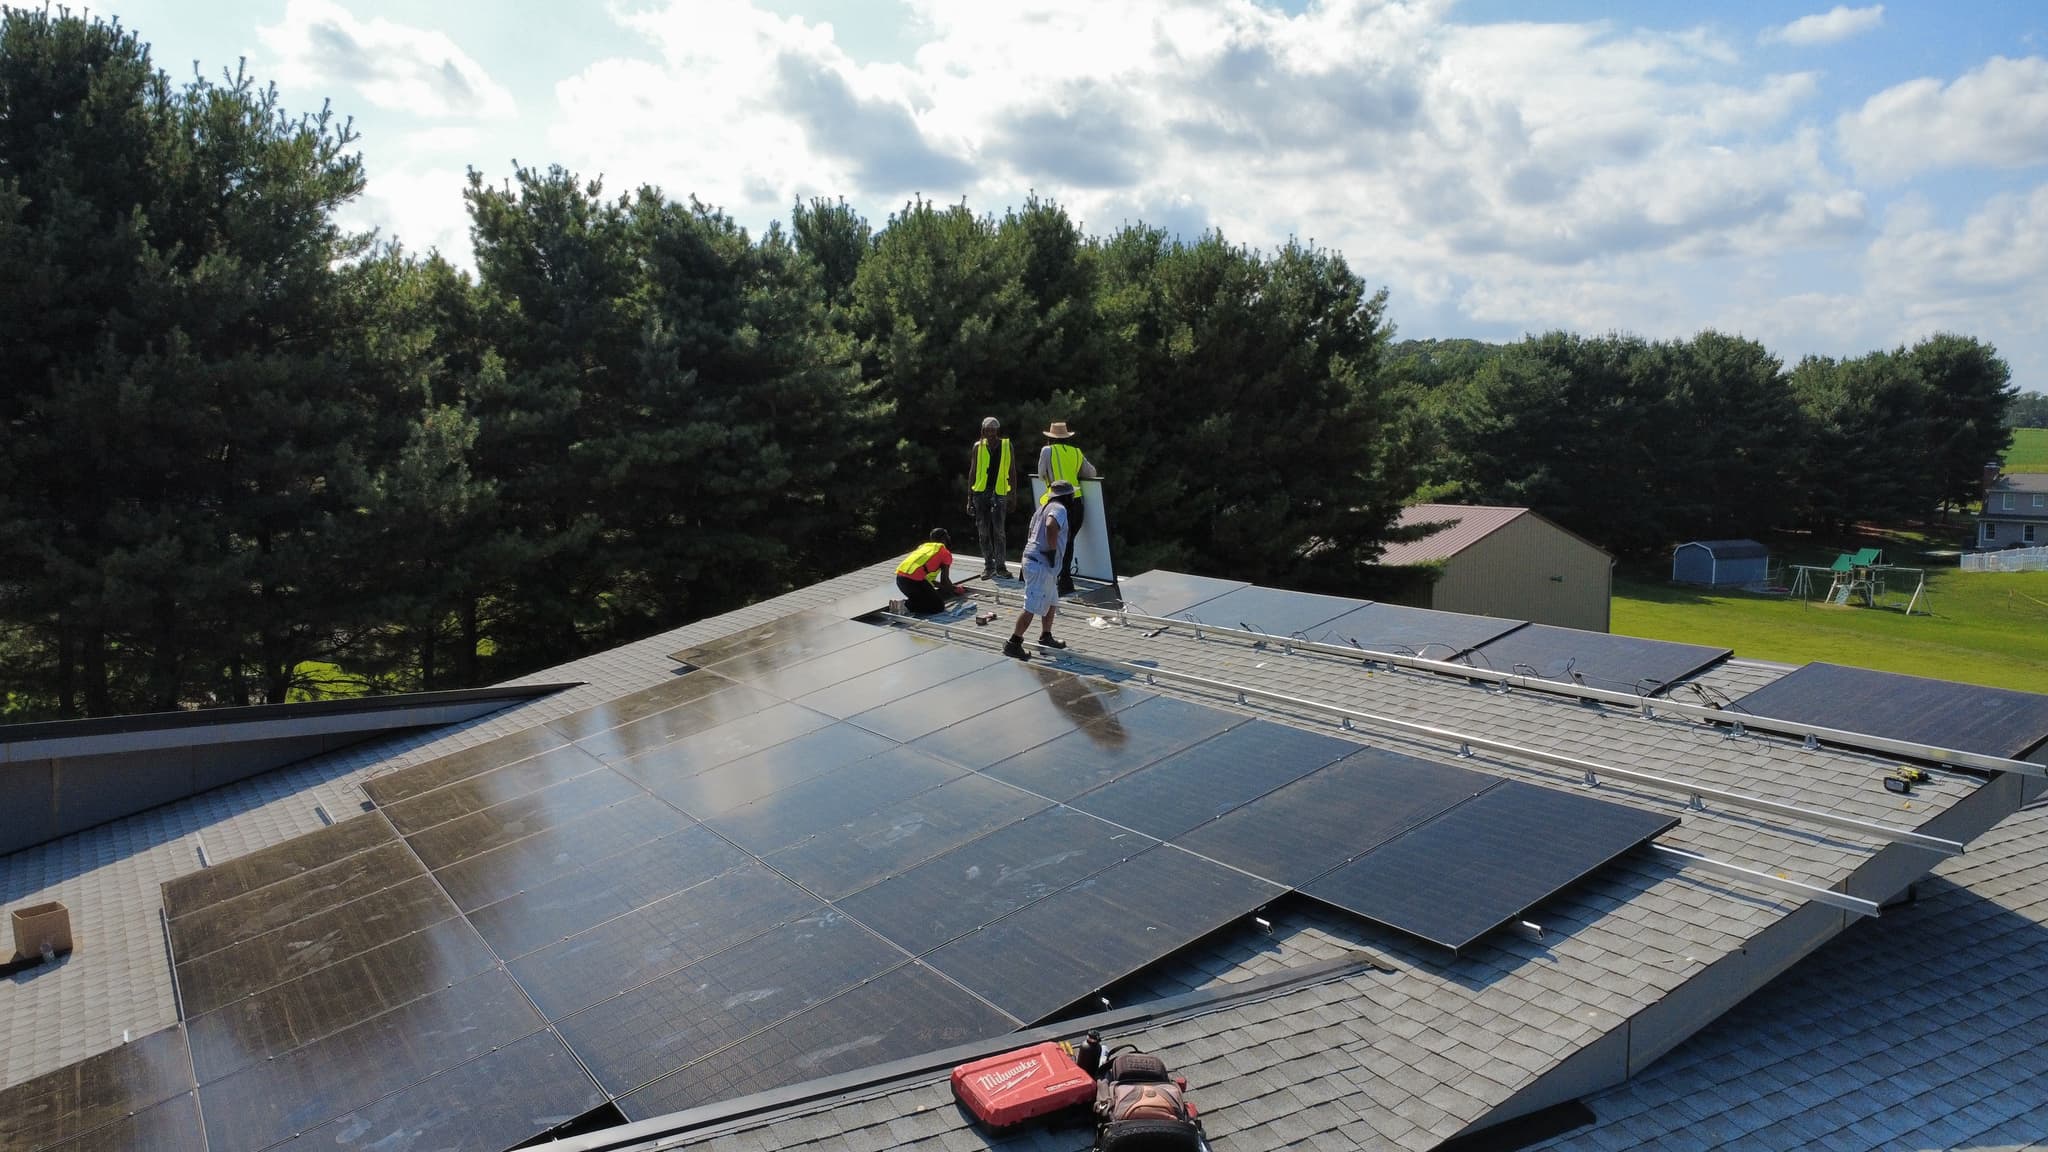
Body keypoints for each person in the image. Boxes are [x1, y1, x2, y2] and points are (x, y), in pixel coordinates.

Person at [1006, 481, 1073, 660]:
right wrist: (1051, 552)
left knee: (1051, 600)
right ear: (1066, 496)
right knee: (1031, 606)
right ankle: (1013, 642)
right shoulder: (1059, 508)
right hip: (1041, 564)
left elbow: (1030, 533)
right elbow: (1051, 526)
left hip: (1037, 562)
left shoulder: (1041, 508)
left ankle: (1046, 636)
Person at [1036, 421, 1098, 595]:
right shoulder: (1076, 452)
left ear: (1050, 437)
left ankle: (1057, 580)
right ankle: (1065, 580)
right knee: (1068, 541)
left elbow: (1041, 474)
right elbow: (1091, 472)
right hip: (1076, 501)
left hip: (1057, 501)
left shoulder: (1047, 451)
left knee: (1054, 542)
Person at [966, 416, 1018, 579]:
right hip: (981, 493)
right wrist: (969, 498)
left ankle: (1001, 566)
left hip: (1000, 492)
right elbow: (973, 471)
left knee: (999, 532)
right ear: (983, 431)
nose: (990, 433)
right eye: (987, 430)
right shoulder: (978, 446)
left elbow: (1012, 470)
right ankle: (988, 566)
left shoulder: (1006, 445)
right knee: (983, 531)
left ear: (997, 430)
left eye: (993, 429)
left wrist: (1013, 494)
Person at [894, 528, 963, 615]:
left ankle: (902, 605)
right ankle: (906, 606)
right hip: (914, 582)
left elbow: (928, 581)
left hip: (900, 580)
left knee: (924, 599)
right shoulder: (945, 553)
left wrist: (951, 588)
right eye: (947, 536)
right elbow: (944, 581)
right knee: (938, 607)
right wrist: (956, 589)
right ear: (944, 539)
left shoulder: (924, 547)